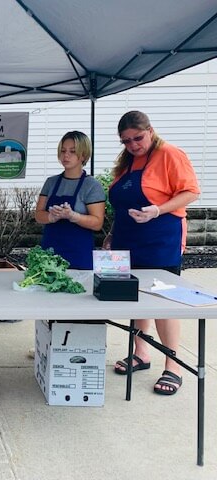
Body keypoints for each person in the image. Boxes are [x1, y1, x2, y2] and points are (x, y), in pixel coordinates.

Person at [105, 111, 200, 395]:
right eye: (126, 141)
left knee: (163, 301)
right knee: (134, 297)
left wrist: (157, 210)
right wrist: (111, 234)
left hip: (159, 239)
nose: (133, 145)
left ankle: (173, 366)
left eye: (138, 138)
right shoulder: (128, 163)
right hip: (127, 240)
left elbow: (191, 192)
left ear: (151, 131)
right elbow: (121, 206)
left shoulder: (170, 154)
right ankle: (141, 353)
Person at [35, 130, 106, 269]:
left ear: (83, 155)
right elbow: (38, 215)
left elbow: (97, 223)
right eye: (63, 151)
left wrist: (74, 216)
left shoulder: (91, 185)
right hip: (49, 255)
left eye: (72, 151)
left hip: (79, 256)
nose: (66, 155)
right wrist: (51, 217)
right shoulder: (51, 182)